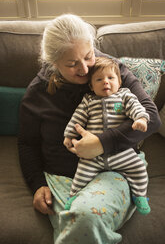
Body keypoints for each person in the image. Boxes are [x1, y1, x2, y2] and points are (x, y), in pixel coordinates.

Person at [18, 14, 161, 244]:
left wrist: (102, 143)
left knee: (85, 220)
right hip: (61, 178)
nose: (85, 69)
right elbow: (27, 143)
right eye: (72, 64)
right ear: (54, 63)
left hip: (114, 170)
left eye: (88, 56)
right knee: (76, 227)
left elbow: (152, 117)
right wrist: (37, 184)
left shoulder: (111, 70)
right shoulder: (37, 92)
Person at [64, 57, 150, 215]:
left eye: (111, 78)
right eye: (99, 79)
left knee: (138, 168)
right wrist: (69, 135)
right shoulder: (88, 101)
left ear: (119, 82)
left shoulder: (125, 96)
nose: (105, 82)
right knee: (81, 173)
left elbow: (135, 107)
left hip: (121, 152)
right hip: (93, 157)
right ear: (91, 85)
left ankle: (140, 195)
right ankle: (72, 197)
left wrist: (141, 118)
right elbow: (77, 119)